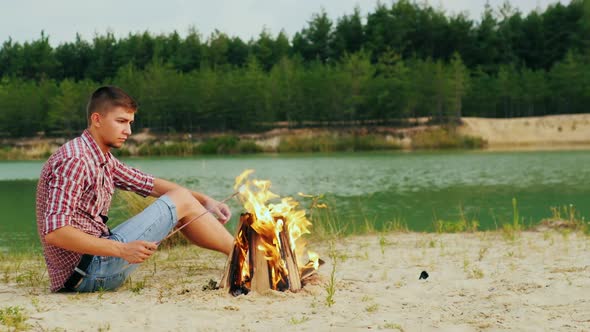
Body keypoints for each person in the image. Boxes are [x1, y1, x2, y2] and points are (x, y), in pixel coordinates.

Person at [36, 86, 234, 293]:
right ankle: (245, 256)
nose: (128, 131)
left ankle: (240, 255)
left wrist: (205, 201)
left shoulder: (101, 158)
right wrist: (122, 250)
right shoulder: (75, 160)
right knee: (181, 198)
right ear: (97, 119)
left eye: (130, 123)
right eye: (121, 121)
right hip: (87, 274)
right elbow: (55, 232)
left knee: (181, 198)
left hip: (95, 265)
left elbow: (149, 184)